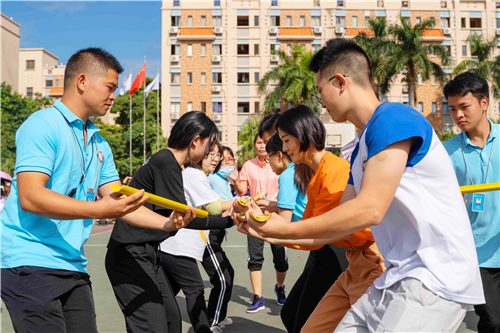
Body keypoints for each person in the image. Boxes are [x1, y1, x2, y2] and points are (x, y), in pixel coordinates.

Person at [239, 38, 484, 332]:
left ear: (340, 82)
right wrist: (267, 231)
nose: (321, 103)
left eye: (320, 92)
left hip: (434, 276)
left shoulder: (393, 118)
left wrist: (284, 228)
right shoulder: (360, 150)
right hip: (397, 275)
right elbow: (341, 223)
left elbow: (370, 209)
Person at [0, 47, 194, 333]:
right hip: (29, 262)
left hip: (72, 265)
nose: (114, 96)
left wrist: (167, 223)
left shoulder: (100, 143)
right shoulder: (41, 125)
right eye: (110, 87)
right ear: (82, 82)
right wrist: (99, 209)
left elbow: (118, 200)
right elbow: (30, 197)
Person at [240, 106, 384, 333]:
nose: (284, 149)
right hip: (348, 261)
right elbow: (305, 231)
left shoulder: (334, 170)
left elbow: (322, 233)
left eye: (286, 141)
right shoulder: (317, 176)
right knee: (296, 318)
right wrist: (262, 230)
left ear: (302, 135)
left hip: (366, 261)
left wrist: (267, 231)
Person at [105, 111, 235, 333]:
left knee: (171, 321)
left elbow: (180, 217)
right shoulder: (167, 162)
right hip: (129, 255)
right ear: (196, 141)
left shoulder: (172, 164)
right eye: (209, 145)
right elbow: (182, 219)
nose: (211, 153)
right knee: (154, 327)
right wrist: (229, 221)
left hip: (148, 253)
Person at [443, 72, 500, 333]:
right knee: (493, 321)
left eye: (464, 107)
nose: (458, 115)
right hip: (477, 254)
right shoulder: (446, 152)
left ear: (484, 103)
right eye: (452, 109)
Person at [161, 141, 234, 333]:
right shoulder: (194, 175)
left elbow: (216, 203)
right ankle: (207, 327)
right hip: (179, 245)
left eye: (218, 155)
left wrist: (235, 206)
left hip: (179, 245)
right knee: (195, 290)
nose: (215, 158)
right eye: (210, 153)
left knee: (166, 294)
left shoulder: (199, 176)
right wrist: (234, 213)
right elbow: (215, 207)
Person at [233, 134, 287, 312]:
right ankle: (257, 297)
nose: (262, 145)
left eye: (265, 142)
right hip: (254, 216)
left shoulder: (280, 164)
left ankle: (280, 288)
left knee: (280, 259)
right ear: (255, 145)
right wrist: (235, 181)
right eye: (258, 142)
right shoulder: (248, 165)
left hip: (277, 216)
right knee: (255, 259)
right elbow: (242, 191)